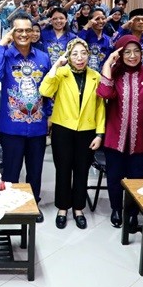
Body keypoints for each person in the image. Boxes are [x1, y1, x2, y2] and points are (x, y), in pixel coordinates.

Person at [96, 35, 143, 231]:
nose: (132, 56)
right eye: (127, 52)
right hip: (114, 139)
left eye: (136, 51)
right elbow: (104, 93)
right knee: (114, 177)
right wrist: (108, 64)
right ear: (119, 54)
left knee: (137, 178)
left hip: (141, 139)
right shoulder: (114, 73)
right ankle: (116, 210)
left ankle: (133, 213)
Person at [39, 38, 105, 230]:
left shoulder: (95, 76)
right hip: (63, 129)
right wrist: (55, 67)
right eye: (74, 54)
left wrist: (100, 134)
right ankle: (62, 208)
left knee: (82, 170)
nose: (79, 58)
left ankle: (78, 209)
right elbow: (44, 90)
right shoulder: (61, 73)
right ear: (68, 56)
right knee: (63, 170)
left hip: (87, 130)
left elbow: (101, 107)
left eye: (83, 53)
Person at [0, 12, 51, 222]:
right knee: (11, 171)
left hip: (37, 125)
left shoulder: (43, 57)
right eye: (19, 30)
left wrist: (50, 115)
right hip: (11, 126)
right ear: (12, 32)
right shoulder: (5, 55)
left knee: (35, 171)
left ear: (34, 32)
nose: (24, 34)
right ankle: (10, 206)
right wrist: (1, 45)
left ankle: (33, 205)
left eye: (28, 30)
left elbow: (49, 90)